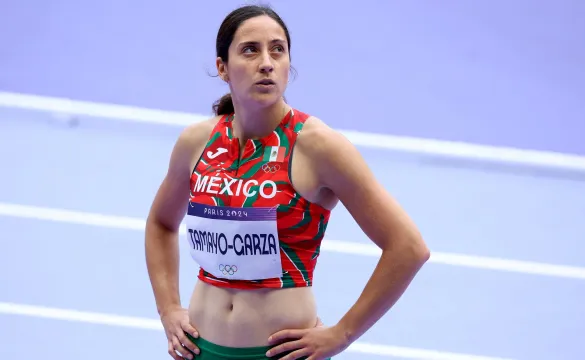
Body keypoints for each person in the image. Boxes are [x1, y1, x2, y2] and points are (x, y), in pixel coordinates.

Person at [144, 4, 430, 360]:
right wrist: (169, 309)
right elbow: (160, 223)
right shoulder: (196, 142)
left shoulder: (317, 146)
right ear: (222, 68)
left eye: (277, 50)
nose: (267, 62)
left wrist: (341, 334)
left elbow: (408, 247)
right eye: (250, 50)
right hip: (201, 350)